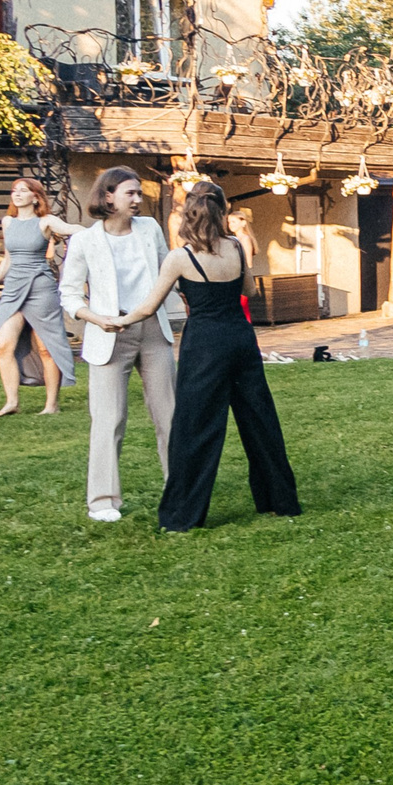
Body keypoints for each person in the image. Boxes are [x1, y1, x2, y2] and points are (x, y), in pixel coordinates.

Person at [107, 178, 302, 533]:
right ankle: (280, 501)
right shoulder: (237, 247)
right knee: (259, 421)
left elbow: (149, 306)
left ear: (189, 214)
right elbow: (250, 291)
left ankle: (183, 516)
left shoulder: (180, 258)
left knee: (195, 429)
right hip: (240, 339)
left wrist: (117, 321)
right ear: (222, 211)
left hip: (203, 345)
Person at [59, 167, 178, 522]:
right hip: (108, 336)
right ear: (108, 196)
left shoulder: (150, 229)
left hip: (153, 331)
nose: (138, 200)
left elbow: (166, 272)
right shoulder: (84, 241)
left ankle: (180, 488)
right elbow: (68, 293)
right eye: (131, 193)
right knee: (109, 419)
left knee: (170, 416)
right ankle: (102, 501)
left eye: (139, 193)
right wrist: (96, 318)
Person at [0, 176, 81, 417]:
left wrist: (101, 230)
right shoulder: (7, 222)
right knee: (3, 344)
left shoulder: (46, 221)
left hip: (40, 289)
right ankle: (11, 402)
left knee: (46, 347)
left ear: (35, 197)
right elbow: (8, 258)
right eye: (14, 190)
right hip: (13, 289)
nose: (17, 194)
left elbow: (72, 230)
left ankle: (51, 405)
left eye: (23, 190)